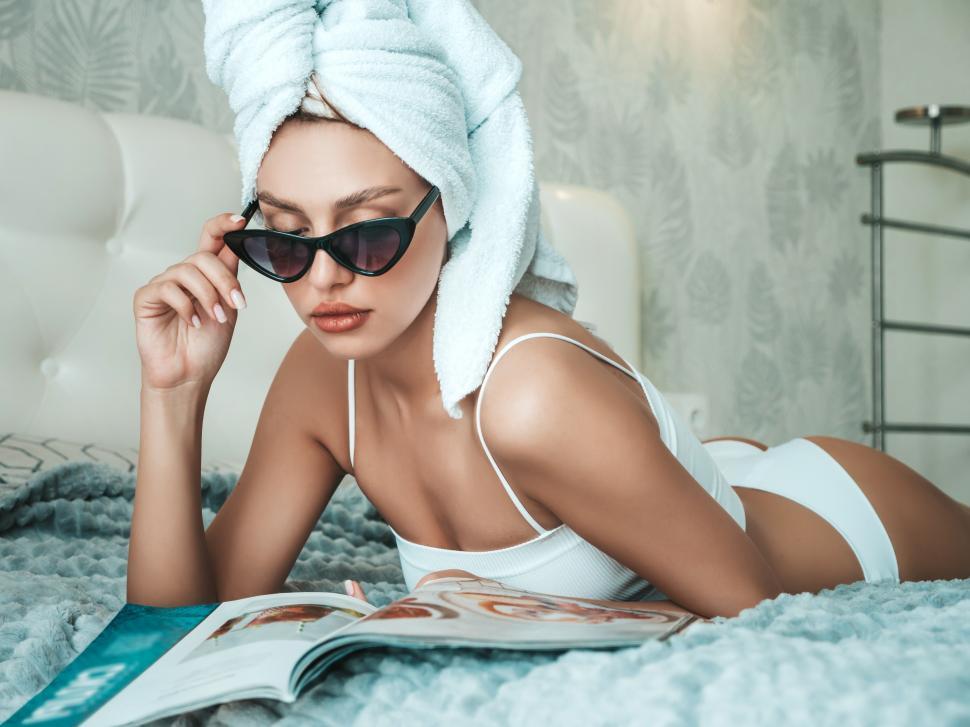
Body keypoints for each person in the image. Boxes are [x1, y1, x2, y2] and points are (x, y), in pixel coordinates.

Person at [128, 101, 970, 620]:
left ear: (448, 207)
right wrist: (173, 394)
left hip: (837, 515)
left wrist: (456, 622)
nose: (327, 278)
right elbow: (178, 630)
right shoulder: (324, 378)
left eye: (369, 231)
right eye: (284, 240)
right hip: (688, 479)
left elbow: (753, 606)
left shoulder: (529, 395)